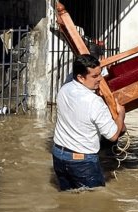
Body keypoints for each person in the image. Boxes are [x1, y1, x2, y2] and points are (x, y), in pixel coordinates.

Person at [52, 54, 126, 191]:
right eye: (94, 76)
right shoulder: (94, 102)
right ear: (80, 78)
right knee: (95, 205)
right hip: (82, 161)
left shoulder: (64, 90)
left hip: (58, 155)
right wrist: (120, 115)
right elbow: (113, 136)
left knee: (67, 201)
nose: (100, 79)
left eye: (100, 74)